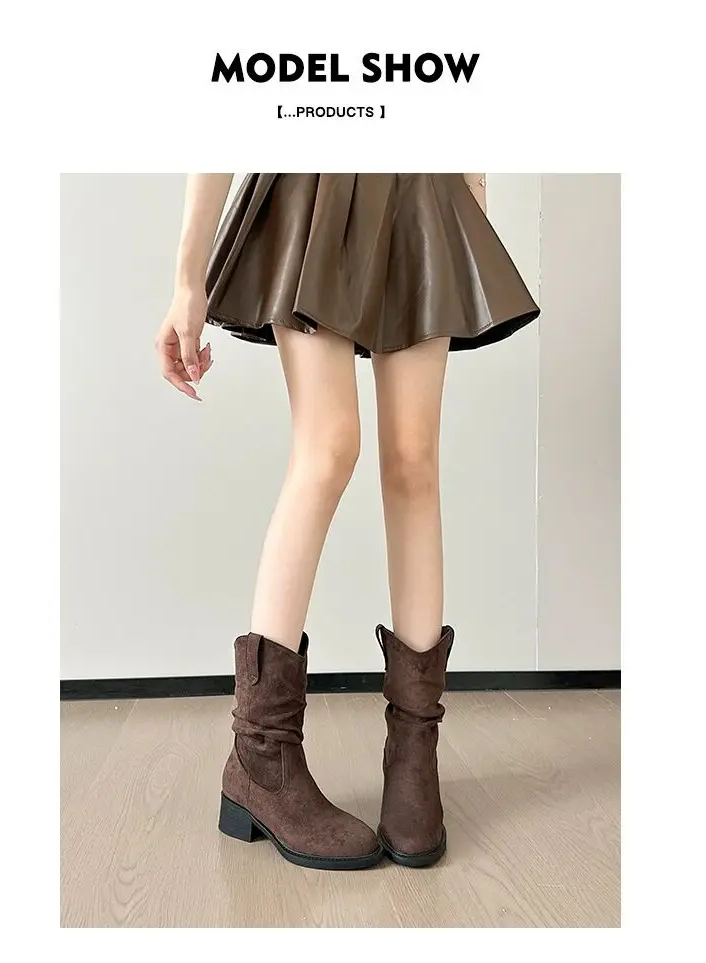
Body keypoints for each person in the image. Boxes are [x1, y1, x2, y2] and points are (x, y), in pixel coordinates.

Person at [155, 174, 539, 871]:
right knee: (328, 447)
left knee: (414, 461)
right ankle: (261, 756)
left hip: (421, 187)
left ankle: (415, 752)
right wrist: (187, 278)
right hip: (311, 184)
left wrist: (469, 203)